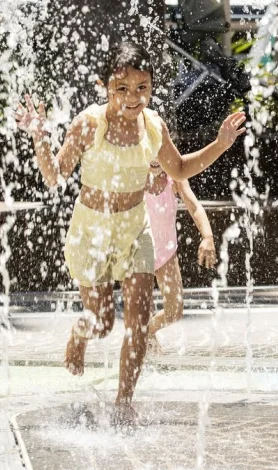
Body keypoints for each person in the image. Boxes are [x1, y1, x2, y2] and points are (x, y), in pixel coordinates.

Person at [14, 41, 245, 427]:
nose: (133, 97)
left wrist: (220, 145)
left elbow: (179, 169)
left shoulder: (154, 126)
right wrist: (39, 134)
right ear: (105, 86)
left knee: (137, 322)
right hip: (92, 232)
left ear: (151, 87)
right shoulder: (89, 124)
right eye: (122, 88)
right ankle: (80, 334)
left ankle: (123, 402)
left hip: (135, 230)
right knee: (103, 321)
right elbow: (55, 176)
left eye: (142, 88)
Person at [144, 162, 217, 353]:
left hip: (165, 253)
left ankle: (144, 332)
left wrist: (207, 236)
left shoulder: (174, 176)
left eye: (160, 152)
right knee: (142, 311)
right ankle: (145, 353)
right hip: (138, 251)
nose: (155, 159)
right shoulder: (134, 173)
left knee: (174, 311)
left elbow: (195, 207)